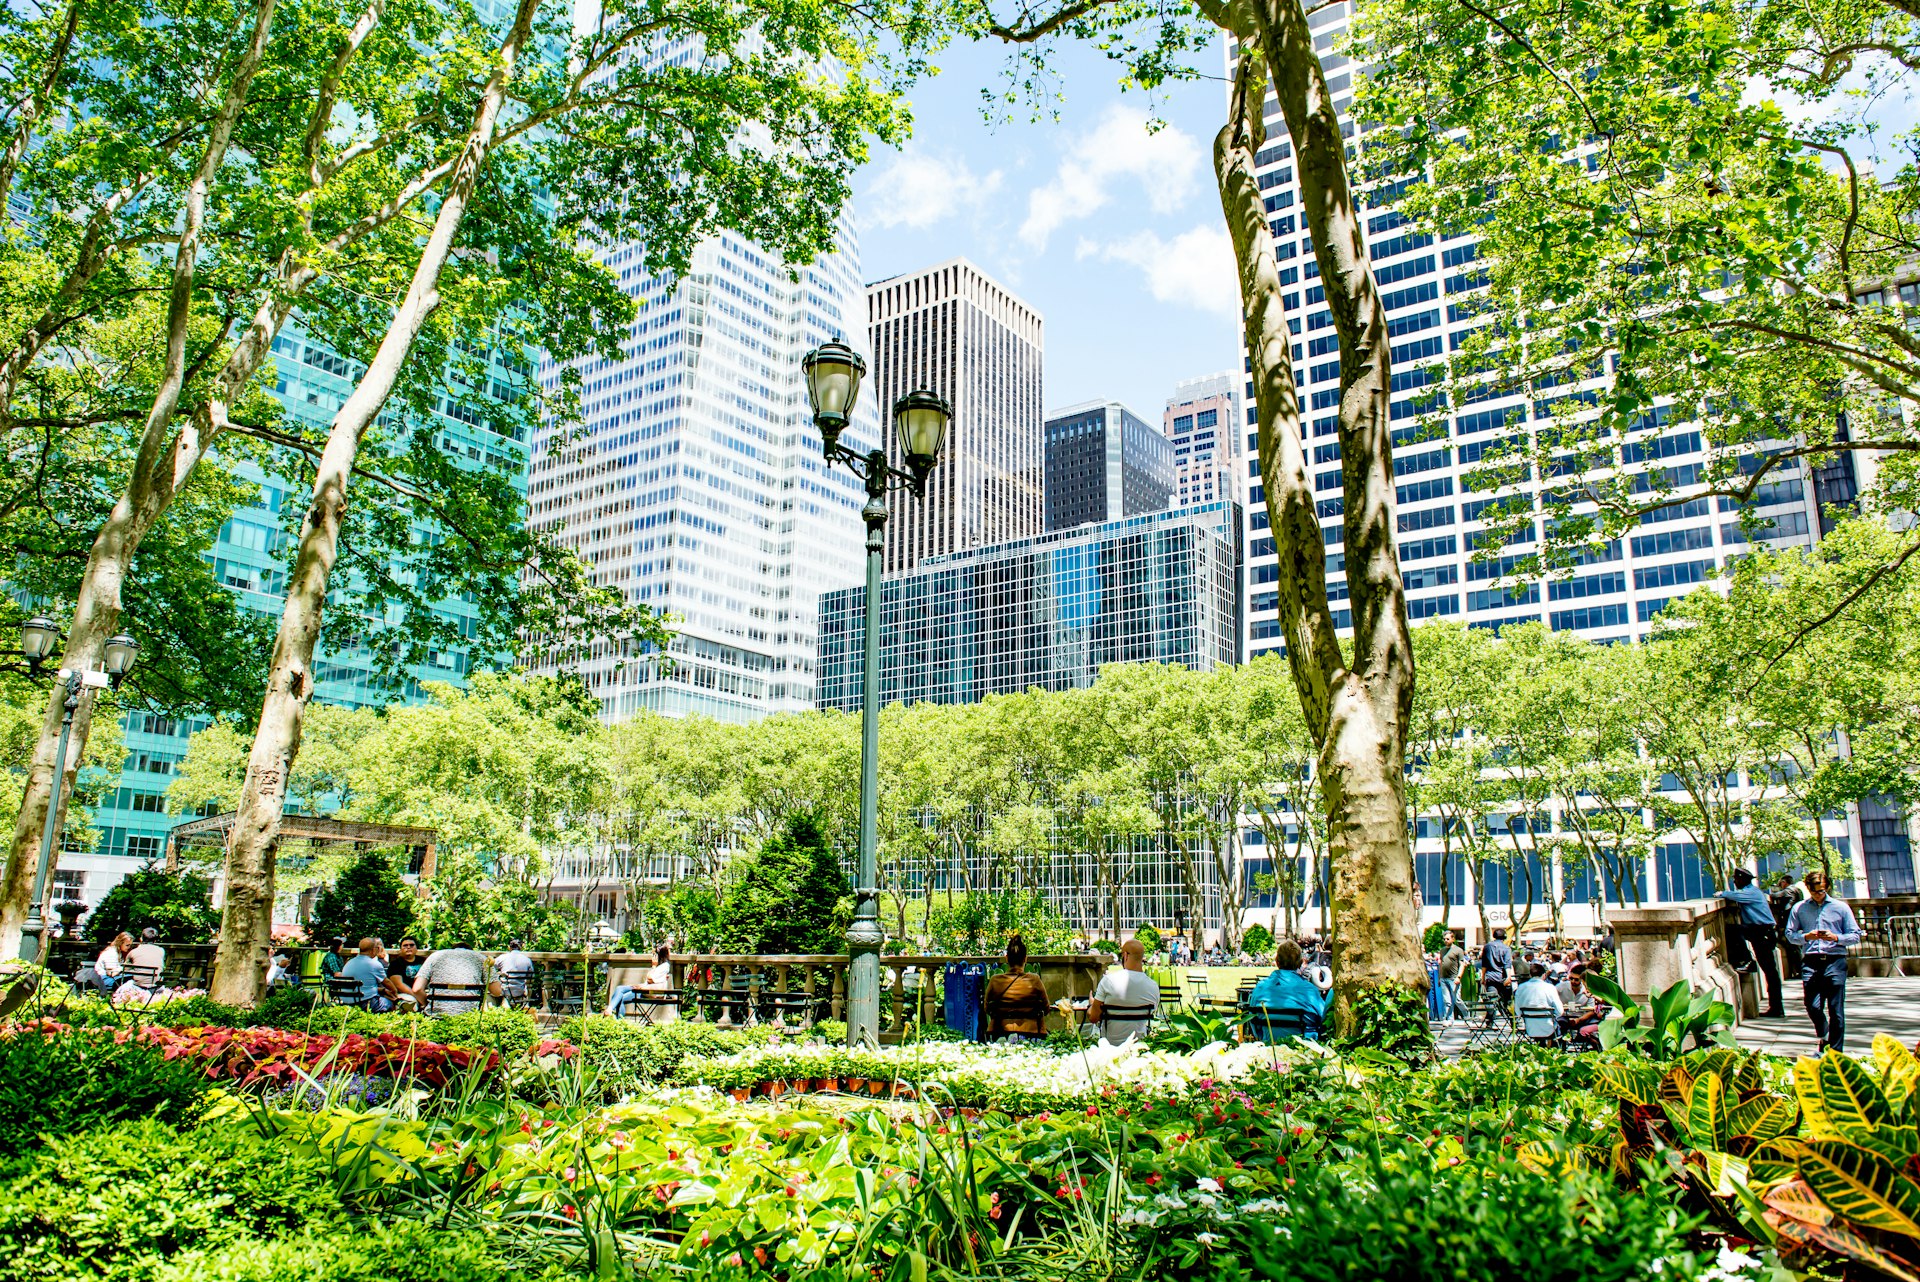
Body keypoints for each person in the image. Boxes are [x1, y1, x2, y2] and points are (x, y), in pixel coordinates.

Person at [1786, 869, 1860, 1054]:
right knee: (1812, 1005)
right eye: (1815, 891)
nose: (1819, 895)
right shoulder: (1800, 908)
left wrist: (1835, 937)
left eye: (1822, 891)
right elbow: (1790, 934)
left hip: (1835, 960)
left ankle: (1836, 1053)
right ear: (1809, 889)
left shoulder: (1840, 907)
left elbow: (1855, 935)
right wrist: (1806, 936)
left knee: (1836, 1010)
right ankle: (1824, 1034)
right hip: (1811, 961)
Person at [1716, 868, 1785, 1017]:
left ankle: (1777, 1007)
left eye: (1736, 879)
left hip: (1762, 931)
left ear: (1742, 879)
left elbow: (1733, 895)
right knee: (1770, 971)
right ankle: (1776, 1006)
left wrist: (1722, 893)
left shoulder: (1751, 892)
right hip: (1758, 930)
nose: (1734, 881)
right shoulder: (1753, 891)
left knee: (1770, 971)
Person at [1245, 939, 1326, 1042]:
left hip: (1270, 1048)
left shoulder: (1260, 988)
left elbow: (1255, 1027)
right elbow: (1324, 1020)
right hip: (1304, 1051)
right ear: (1300, 963)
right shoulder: (1310, 991)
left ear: (1277, 962)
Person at [1087, 938, 1160, 1044]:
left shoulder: (1108, 981)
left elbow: (1093, 1018)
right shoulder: (1153, 986)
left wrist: (1091, 1006)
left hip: (1110, 1045)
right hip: (1140, 1045)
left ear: (1125, 956)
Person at [984, 935, 1052, 1043]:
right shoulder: (1034, 980)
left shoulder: (995, 981)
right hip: (1032, 1034)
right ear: (1025, 958)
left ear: (1006, 958)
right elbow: (1046, 1008)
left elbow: (987, 1009)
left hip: (1000, 1034)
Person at [408, 938, 502, 1013]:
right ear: (470, 951)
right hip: (469, 1013)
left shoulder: (435, 956)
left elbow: (417, 989)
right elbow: (497, 991)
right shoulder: (481, 958)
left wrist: (427, 1004)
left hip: (437, 1012)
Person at [607, 945, 677, 1021]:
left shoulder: (664, 966)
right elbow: (651, 981)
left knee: (620, 993)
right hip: (645, 990)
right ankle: (612, 1012)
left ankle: (612, 1013)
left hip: (649, 992)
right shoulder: (661, 966)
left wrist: (653, 966)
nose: (653, 957)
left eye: (654, 955)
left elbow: (650, 979)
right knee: (620, 993)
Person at [1513, 962, 1564, 1039]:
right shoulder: (1550, 987)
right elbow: (1560, 1011)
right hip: (1549, 1028)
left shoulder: (1521, 988)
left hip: (1530, 1028)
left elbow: (1518, 1011)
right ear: (1544, 975)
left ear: (1530, 975)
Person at [340, 937, 393, 1011]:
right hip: (365, 1003)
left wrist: (383, 990)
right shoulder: (374, 964)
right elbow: (387, 982)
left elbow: (364, 987)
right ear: (373, 950)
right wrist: (395, 992)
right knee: (389, 1003)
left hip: (347, 1003)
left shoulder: (349, 963)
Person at [1770, 872, 1806, 977]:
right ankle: (1798, 970)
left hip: (1790, 921)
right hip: (1797, 921)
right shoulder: (1798, 890)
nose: (1780, 886)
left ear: (1784, 882)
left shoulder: (1789, 890)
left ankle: (1799, 970)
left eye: (1781, 884)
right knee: (1796, 946)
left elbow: (1775, 896)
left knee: (1794, 946)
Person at [79, 932, 133, 996]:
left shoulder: (118, 952)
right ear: (120, 943)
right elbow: (111, 973)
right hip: (103, 979)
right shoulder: (111, 953)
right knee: (131, 981)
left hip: (109, 978)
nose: (129, 947)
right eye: (127, 945)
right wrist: (124, 967)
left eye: (130, 945)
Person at [1479, 927, 1515, 1022]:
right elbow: (1507, 964)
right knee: (1506, 1001)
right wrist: (1508, 977)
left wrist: (1482, 977)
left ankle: (1490, 1022)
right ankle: (1512, 1021)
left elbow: (1484, 964)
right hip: (1502, 978)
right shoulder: (1506, 948)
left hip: (1490, 977)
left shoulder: (1487, 947)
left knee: (1491, 1000)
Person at [493, 939, 535, 1005]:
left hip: (504, 990)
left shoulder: (502, 957)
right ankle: (526, 1005)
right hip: (520, 991)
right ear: (521, 947)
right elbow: (531, 976)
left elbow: (490, 967)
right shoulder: (527, 960)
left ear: (509, 947)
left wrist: (498, 973)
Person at [1436, 931, 1466, 1022]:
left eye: (1448, 939)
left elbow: (1462, 964)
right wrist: (1439, 978)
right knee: (1447, 1000)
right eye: (1444, 939)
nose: (1446, 940)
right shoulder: (1442, 950)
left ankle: (1466, 1014)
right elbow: (1441, 964)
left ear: (1453, 939)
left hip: (1453, 978)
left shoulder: (1458, 950)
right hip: (1444, 978)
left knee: (1457, 999)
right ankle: (1449, 1019)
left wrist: (1459, 977)